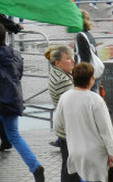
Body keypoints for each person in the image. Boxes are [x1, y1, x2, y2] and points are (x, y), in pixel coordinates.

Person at [0, 22, 45, 182]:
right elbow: (18, 75)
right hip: (13, 100)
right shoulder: (16, 54)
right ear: (5, 36)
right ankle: (35, 166)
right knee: (14, 135)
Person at [53, 63, 113, 182]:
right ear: (90, 80)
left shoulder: (65, 97)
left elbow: (58, 124)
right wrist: (112, 152)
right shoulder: (95, 100)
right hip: (96, 154)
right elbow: (106, 129)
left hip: (75, 152)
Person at [45, 46, 79, 182]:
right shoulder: (62, 80)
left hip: (65, 128)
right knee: (71, 168)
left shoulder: (60, 73)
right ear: (57, 62)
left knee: (69, 166)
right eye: (68, 58)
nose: (72, 60)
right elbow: (74, 105)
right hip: (69, 130)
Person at [74, 10, 100, 91]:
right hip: (92, 73)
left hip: (86, 76)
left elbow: (84, 59)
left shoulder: (80, 36)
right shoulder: (88, 35)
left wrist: (77, 75)